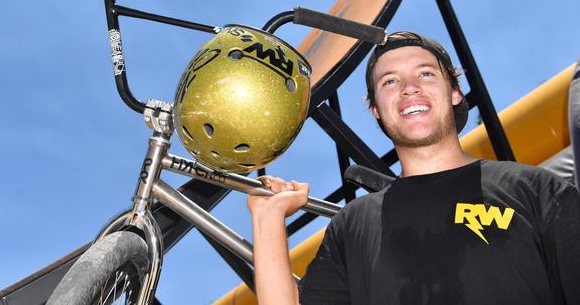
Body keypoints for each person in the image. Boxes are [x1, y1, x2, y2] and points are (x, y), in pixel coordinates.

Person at [247, 31, 580, 305]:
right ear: (376, 109)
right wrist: (267, 219)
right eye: (390, 81)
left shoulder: (536, 190)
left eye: (425, 73)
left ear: (453, 91)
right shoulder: (353, 224)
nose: (409, 87)